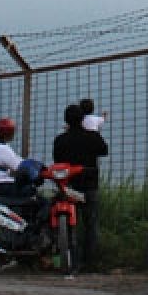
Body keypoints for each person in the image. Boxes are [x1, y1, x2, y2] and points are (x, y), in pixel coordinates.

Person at [53, 103, 109, 270]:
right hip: (90, 184)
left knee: (70, 223)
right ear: (83, 118)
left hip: (69, 185)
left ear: (66, 120)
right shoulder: (92, 136)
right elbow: (104, 150)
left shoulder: (60, 140)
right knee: (91, 223)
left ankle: (71, 259)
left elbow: (57, 160)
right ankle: (90, 262)